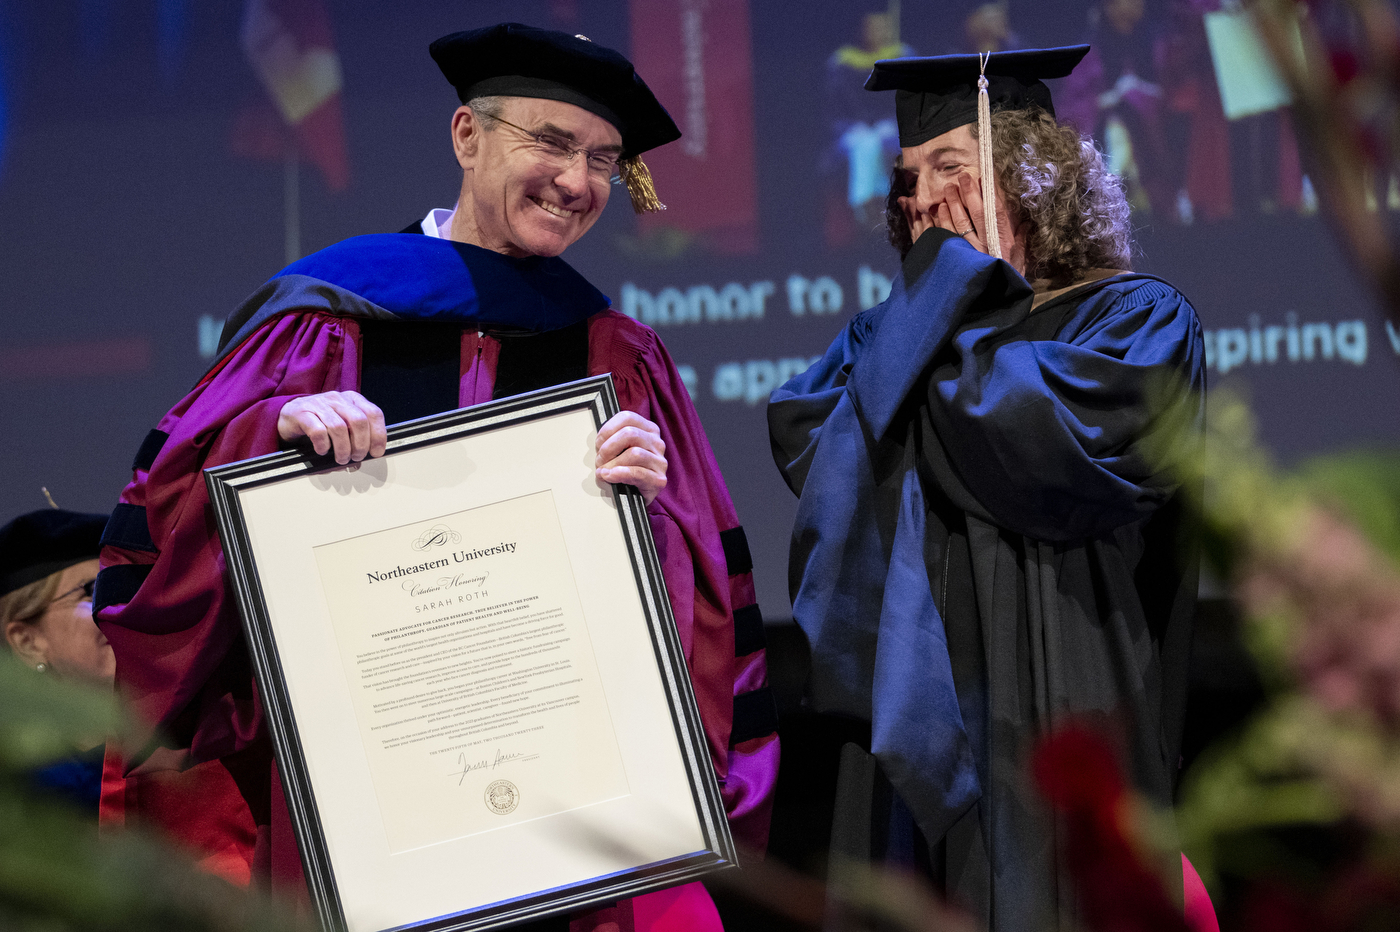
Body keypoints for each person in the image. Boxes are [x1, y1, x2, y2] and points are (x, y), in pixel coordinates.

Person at [95, 23, 777, 931]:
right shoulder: (319, 321)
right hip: (361, 819)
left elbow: (706, 619)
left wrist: (652, 519)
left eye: (605, 160)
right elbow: (162, 543)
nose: (578, 183)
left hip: (570, 817)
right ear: (467, 136)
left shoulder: (620, 355)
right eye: (552, 143)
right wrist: (267, 437)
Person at [768, 47, 1207, 930]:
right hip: (909, 715)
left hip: (1068, 693)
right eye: (908, 178)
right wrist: (935, 309)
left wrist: (952, 310)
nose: (923, 198)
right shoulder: (877, 337)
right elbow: (818, 454)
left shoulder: (1136, 320)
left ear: (1032, 177)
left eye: (951, 170)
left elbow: (1037, 446)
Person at [0, 508, 116, 812]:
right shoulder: (25, 801)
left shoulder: (194, 744)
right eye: (92, 592)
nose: (119, 606)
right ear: (28, 642)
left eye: (123, 585)